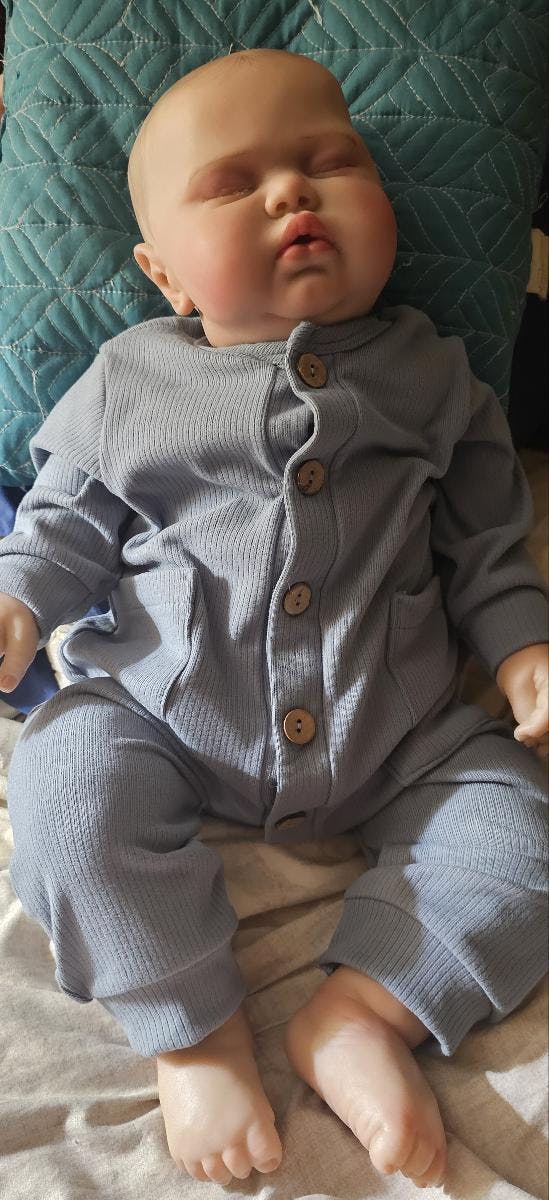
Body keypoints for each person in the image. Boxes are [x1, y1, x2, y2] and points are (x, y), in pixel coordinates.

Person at [1, 48, 548, 1190]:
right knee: (63, 783)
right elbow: (61, 526)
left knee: (521, 833)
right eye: (233, 184)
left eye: (330, 165)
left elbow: (489, 550)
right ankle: (193, 1033)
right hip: (164, 716)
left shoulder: (435, 378)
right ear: (166, 275)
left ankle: (364, 1011)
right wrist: (16, 601)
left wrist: (523, 652)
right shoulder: (131, 380)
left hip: (398, 729)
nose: (292, 193)